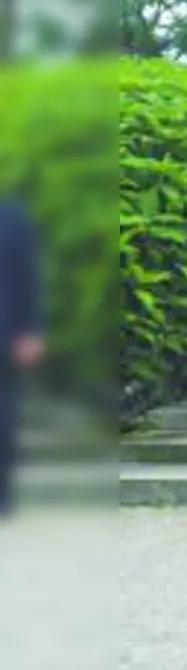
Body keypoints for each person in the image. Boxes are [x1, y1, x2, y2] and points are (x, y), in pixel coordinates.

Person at [0, 201, 42, 515]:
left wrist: (31, 330)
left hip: (5, 334)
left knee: (4, 419)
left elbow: (28, 275)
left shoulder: (12, 216)